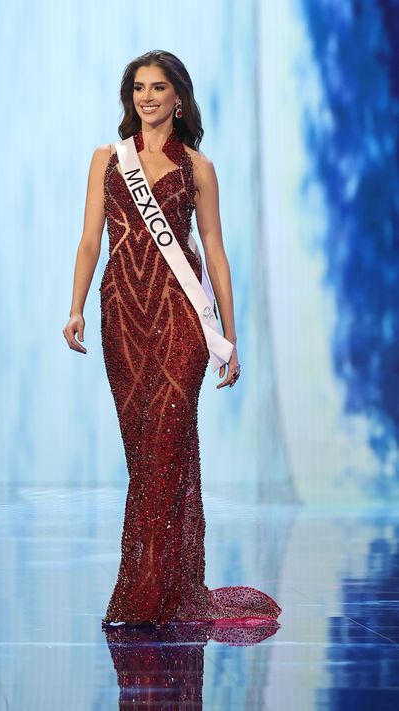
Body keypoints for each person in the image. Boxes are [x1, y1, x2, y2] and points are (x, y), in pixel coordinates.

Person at [62, 50, 281, 628]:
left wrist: (229, 337)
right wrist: (75, 305)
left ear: (178, 98)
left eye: (159, 88)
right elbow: (89, 242)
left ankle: (143, 597)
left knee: (164, 448)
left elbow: (214, 250)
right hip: (123, 316)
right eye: (138, 88)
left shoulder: (198, 167)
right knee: (147, 456)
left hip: (182, 318)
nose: (148, 97)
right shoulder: (107, 160)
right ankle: (166, 590)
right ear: (129, 97)